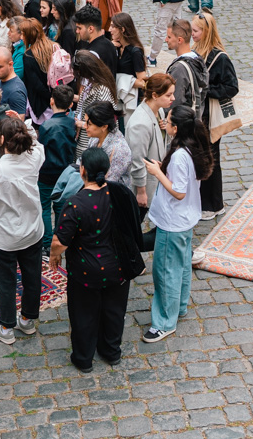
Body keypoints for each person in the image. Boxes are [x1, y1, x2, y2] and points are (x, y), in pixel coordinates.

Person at [49, 147, 145, 372]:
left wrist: (55, 255)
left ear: (82, 170)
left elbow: (60, 242)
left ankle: (83, 359)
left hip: (85, 271)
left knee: (83, 315)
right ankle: (111, 352)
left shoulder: (75, 204)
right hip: (118, 265)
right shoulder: (120, 193)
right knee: (114, 312)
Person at [142, 103, 211, 342]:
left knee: (165, 271)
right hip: (185, 219)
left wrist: (157, 173)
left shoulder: (181, 155)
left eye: (168, 120)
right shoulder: (191, 146)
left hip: (173, 222)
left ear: (176, 128)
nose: (165, 122)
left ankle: (164, 322)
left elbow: (179, 191)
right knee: (180, 266)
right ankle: (178, 307)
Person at [0, 114, 47, 344]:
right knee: (33, 277)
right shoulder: (34, 158)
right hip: (32, 230)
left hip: (5, 236)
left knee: (5, 283)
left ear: (1, 139)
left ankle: (6, 328)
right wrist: (25, 124)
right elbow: (36, 142)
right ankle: (27, 319)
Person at [190, 10, 235, 218]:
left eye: (196, 31)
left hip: (210, 117)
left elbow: (231, 87)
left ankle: (213, 205)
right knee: (203, 158)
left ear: (206, 32)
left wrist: (207, 91)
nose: (192, 34)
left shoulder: (220, 58)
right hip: (200, 116)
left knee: (211, 160)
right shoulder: (198, 51)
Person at [38, 83, 79, 250]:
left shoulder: (46, 126)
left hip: (47, 172)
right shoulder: (72, 123)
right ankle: (60, 237)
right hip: (65, 171)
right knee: (61, 206)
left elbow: (41, 150)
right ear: (70, 104)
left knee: (45, 208)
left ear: (51, 101)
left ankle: (47, 243)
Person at [125, 73, 173, 211]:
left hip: (156, 179)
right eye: (168, 95)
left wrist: (167, 130)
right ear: (155, 95)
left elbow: (162, 143)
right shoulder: (140, 123)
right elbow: (137, 160)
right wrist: (141, 192)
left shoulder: (160, 111)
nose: (173, 98)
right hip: (145, 185)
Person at [109, 11, 148, 126]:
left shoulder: (135, 51)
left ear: (122, 29)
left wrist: (122, 80)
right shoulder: (116, 47)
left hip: (130, 99)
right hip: (119, 97)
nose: (109, 29)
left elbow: (142, 81)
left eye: (113, 26)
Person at [18, 18, 54, 120]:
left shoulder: (28, 56)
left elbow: (36, 84)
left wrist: (50, 96)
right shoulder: (53, 47)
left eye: (22, 34)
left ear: (29, 35)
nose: (21, 38)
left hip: (41, 104)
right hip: (55, 99)